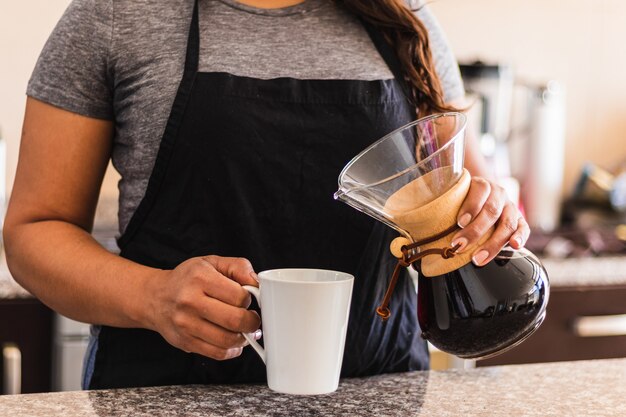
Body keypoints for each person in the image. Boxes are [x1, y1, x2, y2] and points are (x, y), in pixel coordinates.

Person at [4, 0, 529, 389]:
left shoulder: (403, 20)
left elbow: (463, 199)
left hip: (377, 391)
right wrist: (152, 297)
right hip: (166, 394)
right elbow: (33, 231)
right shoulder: (115, 15)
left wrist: (488, 215)